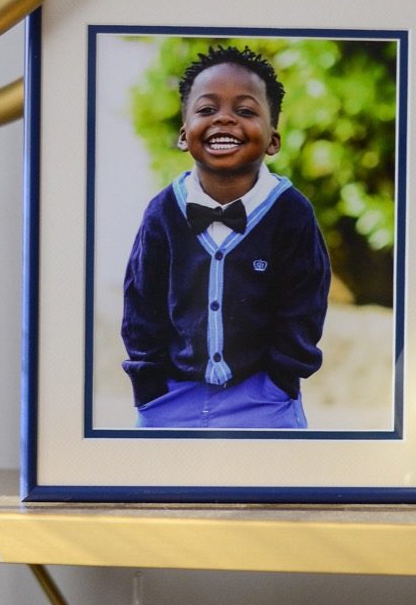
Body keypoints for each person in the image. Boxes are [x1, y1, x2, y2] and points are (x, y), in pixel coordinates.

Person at [121, 44, 331, 429]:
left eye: (246, 111)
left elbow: (304, 307)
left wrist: (282, 380)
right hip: (170, 401)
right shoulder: (163, 212)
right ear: (184, 135)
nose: (225, 120)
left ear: (273, 139)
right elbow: (141, 305)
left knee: (274, 488)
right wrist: (149, 386)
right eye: (207, 109)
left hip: (264, 402)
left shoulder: (291, 212)